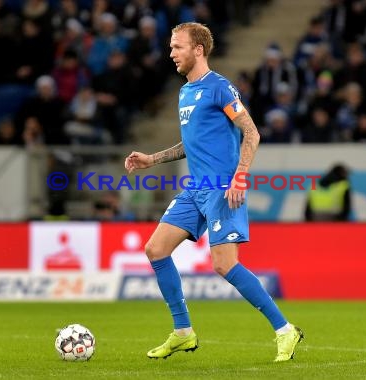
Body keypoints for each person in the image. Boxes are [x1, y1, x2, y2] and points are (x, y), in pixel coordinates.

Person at [124, 22, 303, 362]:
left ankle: (285, 330)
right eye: (171, 47)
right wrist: (152, 159)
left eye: (177, 47)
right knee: (155, 249)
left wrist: (240, 177)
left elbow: (251, 133)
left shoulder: (220, 88)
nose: (171, 53)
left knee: (224, 265)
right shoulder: (184, 92)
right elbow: (190, 144)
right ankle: (183, 332)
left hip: (222, 187)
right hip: (196, 188)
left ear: (198, 50)